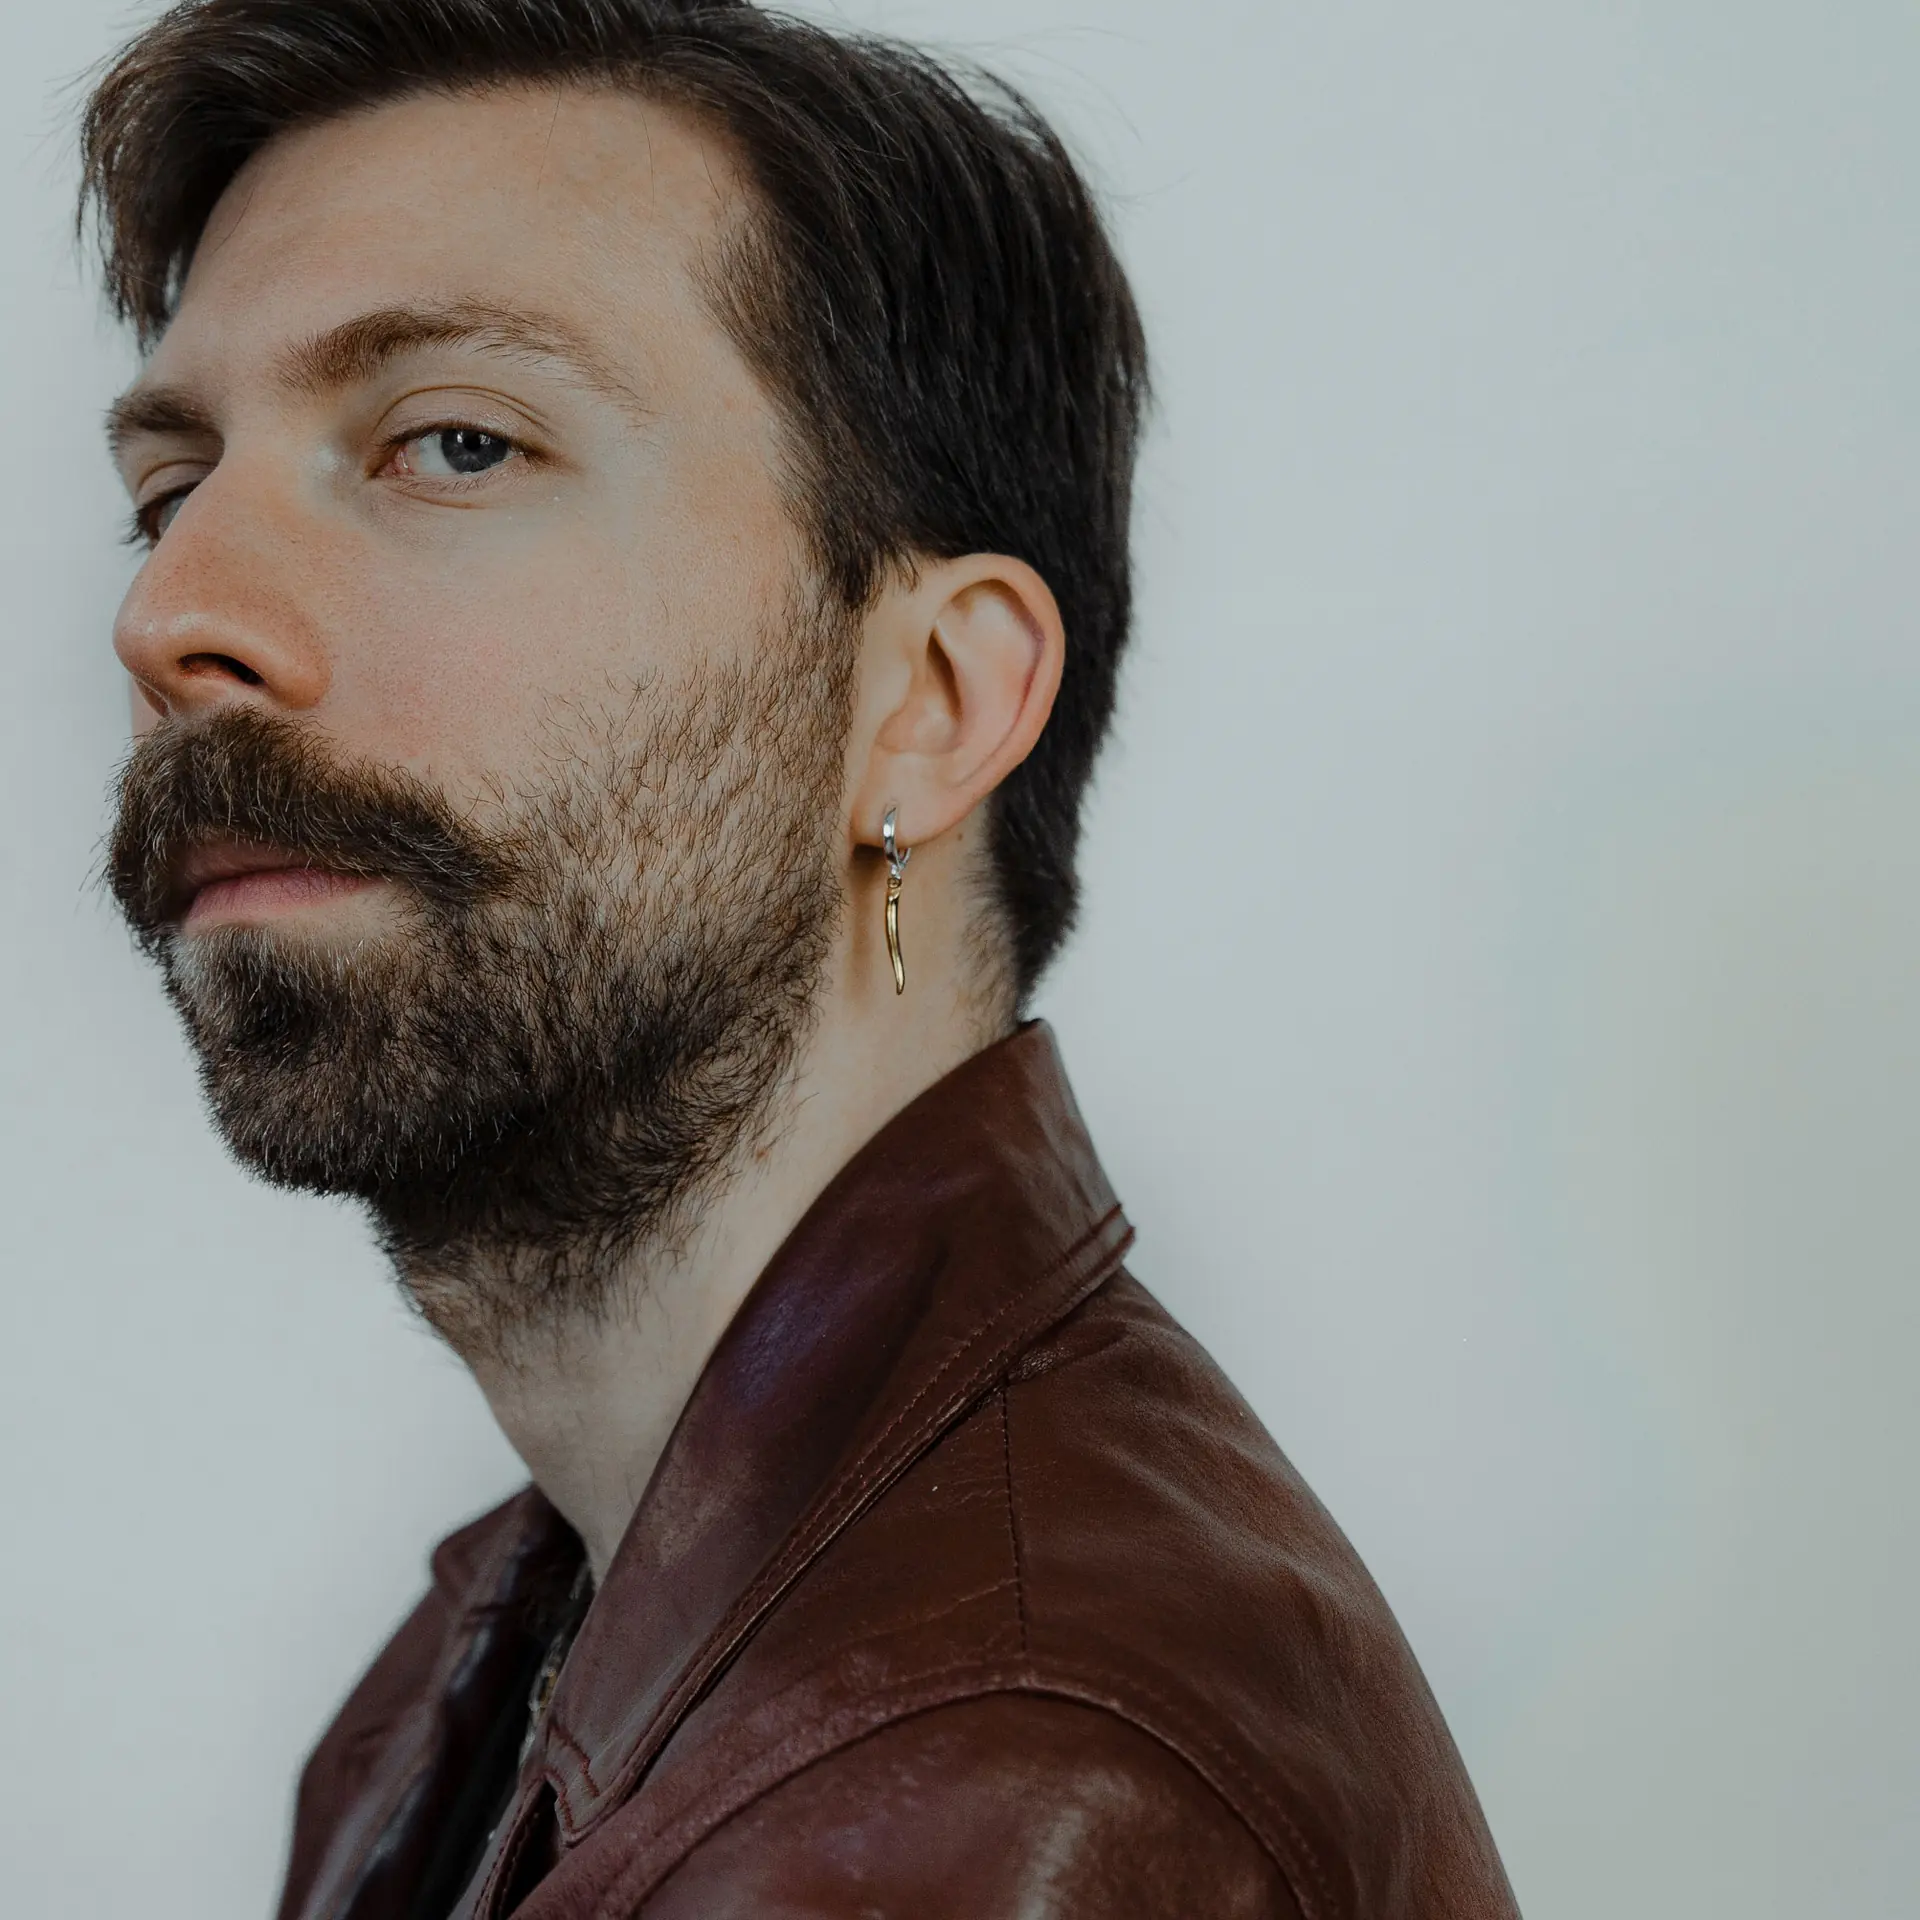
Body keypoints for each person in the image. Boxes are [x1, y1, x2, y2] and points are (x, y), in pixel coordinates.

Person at [82, 1, 1518, 1914]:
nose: (173, 615)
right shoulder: (525, 1647)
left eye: (454, 442)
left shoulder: (1004, 1779)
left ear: (928, 703)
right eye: (168, 495)